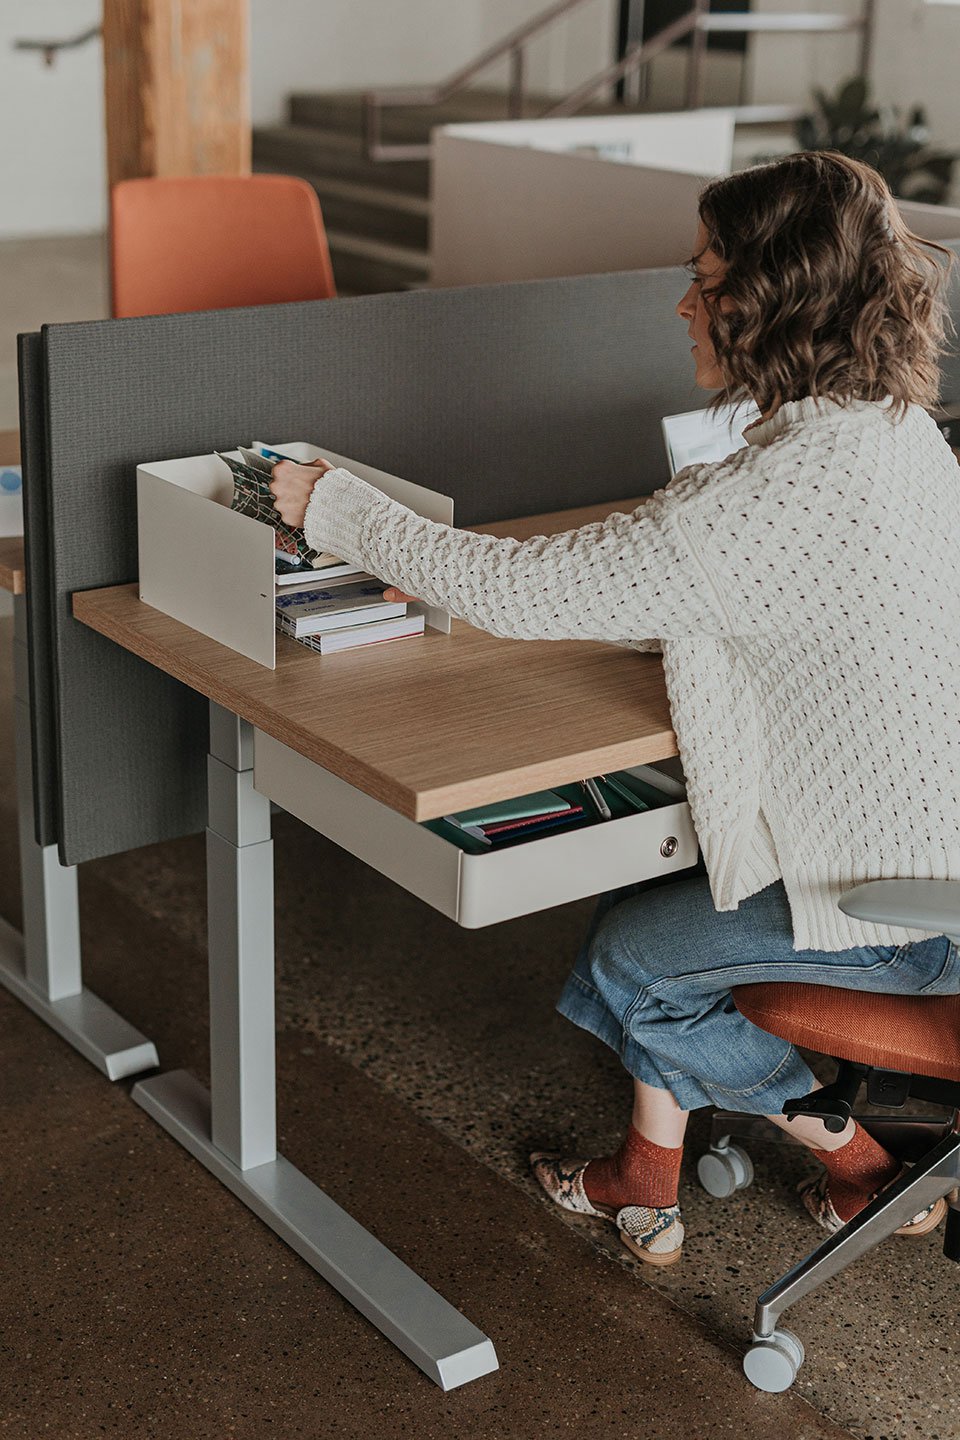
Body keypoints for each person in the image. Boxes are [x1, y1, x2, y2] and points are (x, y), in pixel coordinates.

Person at [270, 151, 960, 1268]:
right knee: (659, 868)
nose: (683, 302)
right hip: (929, 846)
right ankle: (646, 1175)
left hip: (910, 909)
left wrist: (339, 508)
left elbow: (517, 591)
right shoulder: (890, 435)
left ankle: (856, 1155)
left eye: (709, 278)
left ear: (773, 301)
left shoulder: (781, 496)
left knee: (631, 963)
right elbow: (739, 578)